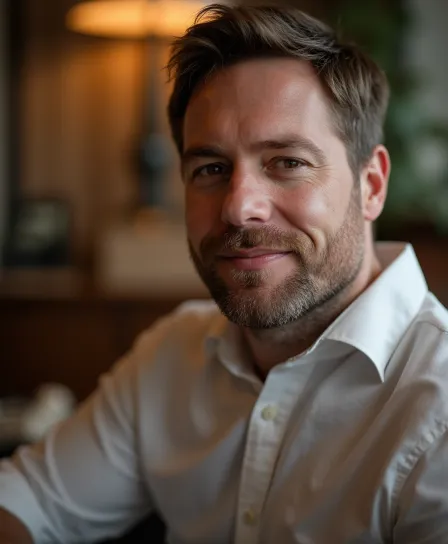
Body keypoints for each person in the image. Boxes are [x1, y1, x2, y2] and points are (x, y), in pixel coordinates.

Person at [1, 4, 448, 543]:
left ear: (371, 184)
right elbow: (27, 503)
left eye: (287, 162)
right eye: (211, 168)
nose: (239, 208)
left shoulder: (438, 406)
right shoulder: (172, 355)